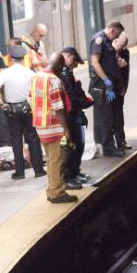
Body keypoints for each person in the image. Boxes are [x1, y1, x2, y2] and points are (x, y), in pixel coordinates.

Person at [0, 45, 46, 180]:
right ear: (23, 58)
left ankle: (20, 172)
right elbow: (39, 88)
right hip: (29, 108)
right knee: (33, 138)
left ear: (10, 58)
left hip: (12, 110)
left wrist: (2, 103)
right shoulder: (29, 73)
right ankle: (38, 170)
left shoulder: (6, 73)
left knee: (16, 141)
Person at [29, 52, 77, 203]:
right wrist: (66, 130)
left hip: (40, 124)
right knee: (57, 159)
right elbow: (58, 107)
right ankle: (57, 193)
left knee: (50, 159)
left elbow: (30, 98)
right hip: (54, 126)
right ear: (60, 65)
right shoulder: (54, 80)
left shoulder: (36, 77)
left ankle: (51, 189)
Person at [88, 20, 125, 158]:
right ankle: (108, 148)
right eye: (117, 35)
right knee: (106, 117)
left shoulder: (108, 42)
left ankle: (111, 145)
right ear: (113, 31)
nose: (116, 39)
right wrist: (106, 80)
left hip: (110, 85)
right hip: (101, 86)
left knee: (112, 115)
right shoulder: (99, 41)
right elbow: (95, 62)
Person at [59, 46, 94, 190]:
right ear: (67, 56)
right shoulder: (62, 73)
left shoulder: (68, 72)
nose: (74, 64)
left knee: (79, 145)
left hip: (75, 115)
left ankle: (75, 172)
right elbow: (71, 96)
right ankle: (68, 177)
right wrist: (85, 102)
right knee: (70, 147)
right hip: (69, 117)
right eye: (74, 60)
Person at [112, 32, 131, 151]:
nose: (121, 47)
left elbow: (126, 71)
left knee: (119, 116)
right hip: (108, 89)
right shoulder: (107, 51)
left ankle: (121, 141)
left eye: (124, 45)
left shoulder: (125, 52)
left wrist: (125, 87)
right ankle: (108, 144)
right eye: (120, 44)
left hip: (119, 88)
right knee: (109, 117)